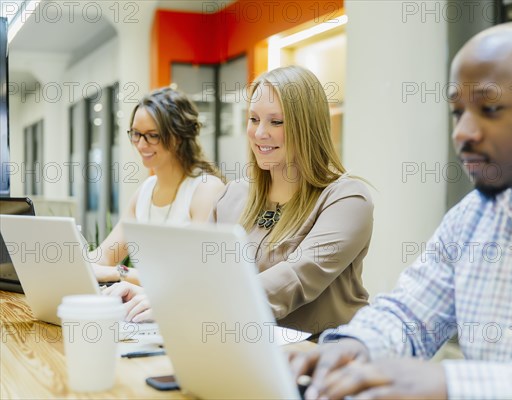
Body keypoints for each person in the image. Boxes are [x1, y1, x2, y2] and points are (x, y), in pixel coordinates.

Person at [290, 22, 512, 399]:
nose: (464, 132)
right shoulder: (473, 216)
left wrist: (452, 384)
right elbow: (410, 313)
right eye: (457, 112)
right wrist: (355, 346)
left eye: (490, 108)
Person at [106, 66, 374, 333]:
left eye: (276, 122)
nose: (259, 133)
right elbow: (199, 272)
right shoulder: (234, 195)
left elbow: (295, 278)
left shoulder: (347, 199)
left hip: (320, 357)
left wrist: (180, 302)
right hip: (241, 346)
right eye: (254, 119)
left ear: (307, 126)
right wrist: (152, 291)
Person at [93, 87, 225, 286]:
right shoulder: (145, 191)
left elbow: (194, 276)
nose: (141, 144)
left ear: (178, 136)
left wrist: (120, 273)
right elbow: (103, 256)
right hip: (144, 308)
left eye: (152, 135)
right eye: (136, 134)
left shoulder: (205, 189)